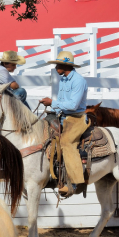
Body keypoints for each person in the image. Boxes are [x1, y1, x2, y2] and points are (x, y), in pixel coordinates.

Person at [42, 50, 88, 196]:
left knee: (67, 143)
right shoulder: (64, 80)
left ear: (65, 65)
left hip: (76, 118)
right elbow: (63, 102)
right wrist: (53, 105)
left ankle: (74, 183)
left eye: (58, 65)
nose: (56, 68)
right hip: (62, 116)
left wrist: (52, 102)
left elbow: (73, 105)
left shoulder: (78, 81)